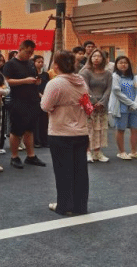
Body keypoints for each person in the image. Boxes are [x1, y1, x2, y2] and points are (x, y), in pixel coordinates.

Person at [41, 50, 90, 216]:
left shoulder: (55, 83)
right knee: (80, 171)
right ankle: (80, 205)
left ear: (56, 66)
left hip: (60, 131)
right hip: (81, 131)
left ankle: (64, 205)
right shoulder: (81, 81)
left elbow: (45, 106)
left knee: (63, 171)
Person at [3, 40, 46, 169]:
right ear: (20, 49)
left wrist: (36, 82)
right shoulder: (10, 64)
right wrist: (25, 81)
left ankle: (31, 156)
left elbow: (33, 78)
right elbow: (7, 82)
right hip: (18, 101)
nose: (29, 55)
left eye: (31, 53)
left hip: (32, 100)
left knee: (30, 129)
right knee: (16, 130)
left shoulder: (31, 63)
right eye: (27, 52)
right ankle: (14, 156)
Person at [79, 49, 112, 163]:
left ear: (103, 58)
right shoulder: (85, 72)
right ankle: (88, 152)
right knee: (89, 129)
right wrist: (93, 101)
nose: (96, 58)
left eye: (99, 56)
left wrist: (102, 102)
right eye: (94, 56)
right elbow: (85, 88)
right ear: (90, 58)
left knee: (100, 129)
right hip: (89, 105)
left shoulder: (108, 73)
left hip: (102, 106)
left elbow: (108, 89)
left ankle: (97, 152)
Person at [108, 56, 137, 160]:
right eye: (120, 63)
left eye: (125, 63)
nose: (123, 64)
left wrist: (135, 103)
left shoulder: (134, 77)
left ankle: (134, 151)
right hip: (121, 108)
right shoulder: (115, 76)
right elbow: (117, 92)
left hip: (135, 108)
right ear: (116, 65)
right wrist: (131, 103)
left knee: (136, 129)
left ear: (129, 65)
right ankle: (121, 152)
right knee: (121, 129)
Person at [33, 55, 50, 148]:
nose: (40, 63)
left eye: (42, 62)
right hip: (35, 99)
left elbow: (48, 85)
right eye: (38, 62)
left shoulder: (45, 74)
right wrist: (39, 94)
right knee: (36, 120)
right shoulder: (32, 74)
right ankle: (36, 140)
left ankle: (45, 140)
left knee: (44, 120)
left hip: (45, 98)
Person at [0, 53, 10, 154]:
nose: (0, 63)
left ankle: (0, 144)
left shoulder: (2, 73)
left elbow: (5, 86)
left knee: (1, 123)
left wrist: (1, 90)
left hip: (1, 99)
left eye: (2, 61)